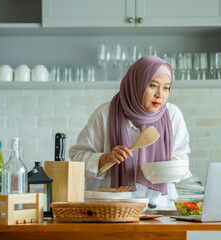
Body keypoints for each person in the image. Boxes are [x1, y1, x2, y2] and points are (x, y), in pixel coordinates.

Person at [69, 56, 191, 209]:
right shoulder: (106, 114)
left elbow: (182, 154)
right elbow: (77, 158)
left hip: (160, 208)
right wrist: (105, 158)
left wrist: (175, 167)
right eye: (153, 85)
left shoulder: (173, 115)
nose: (160, 94)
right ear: (137, 84)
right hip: (113, 209)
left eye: (166, 88)